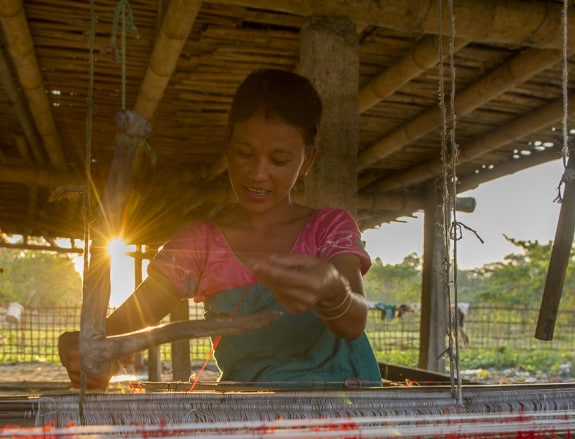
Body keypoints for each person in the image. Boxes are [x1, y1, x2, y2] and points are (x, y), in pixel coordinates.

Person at [60, 67, 381, 389]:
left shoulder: (328, 229)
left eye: (279, 161)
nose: (257, 174)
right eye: (245, 154)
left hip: (349, 411)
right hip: (254, 417)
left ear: (307, 160)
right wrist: (88, 347)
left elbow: (353, 322)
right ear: (227, 144)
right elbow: (126, 323)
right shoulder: (199, 245)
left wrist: (331, 289)